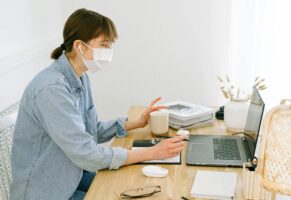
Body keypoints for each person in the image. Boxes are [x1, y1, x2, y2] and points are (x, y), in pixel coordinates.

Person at [10, 8, 185, 200]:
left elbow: (89, 130)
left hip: (71, 175)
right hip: (46, 191)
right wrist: (150, 153)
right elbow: (87, 154)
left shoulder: (80, 77)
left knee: (129, 185)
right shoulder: (52, 90)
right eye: (104, 44)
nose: (109, 51)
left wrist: (134, 123)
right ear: (80, 46)